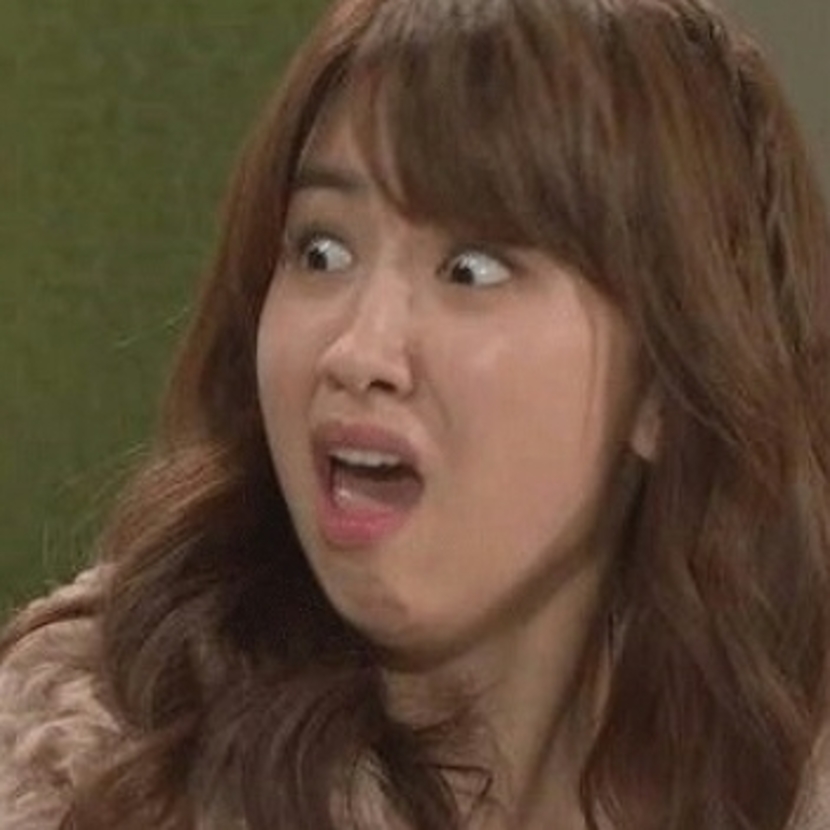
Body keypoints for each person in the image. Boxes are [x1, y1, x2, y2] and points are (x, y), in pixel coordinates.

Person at [2, 0, 829, 827]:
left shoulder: (780, 775)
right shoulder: (95, 768)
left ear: (665, 386)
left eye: (471, 270)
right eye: (322, 251)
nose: (358, 351)